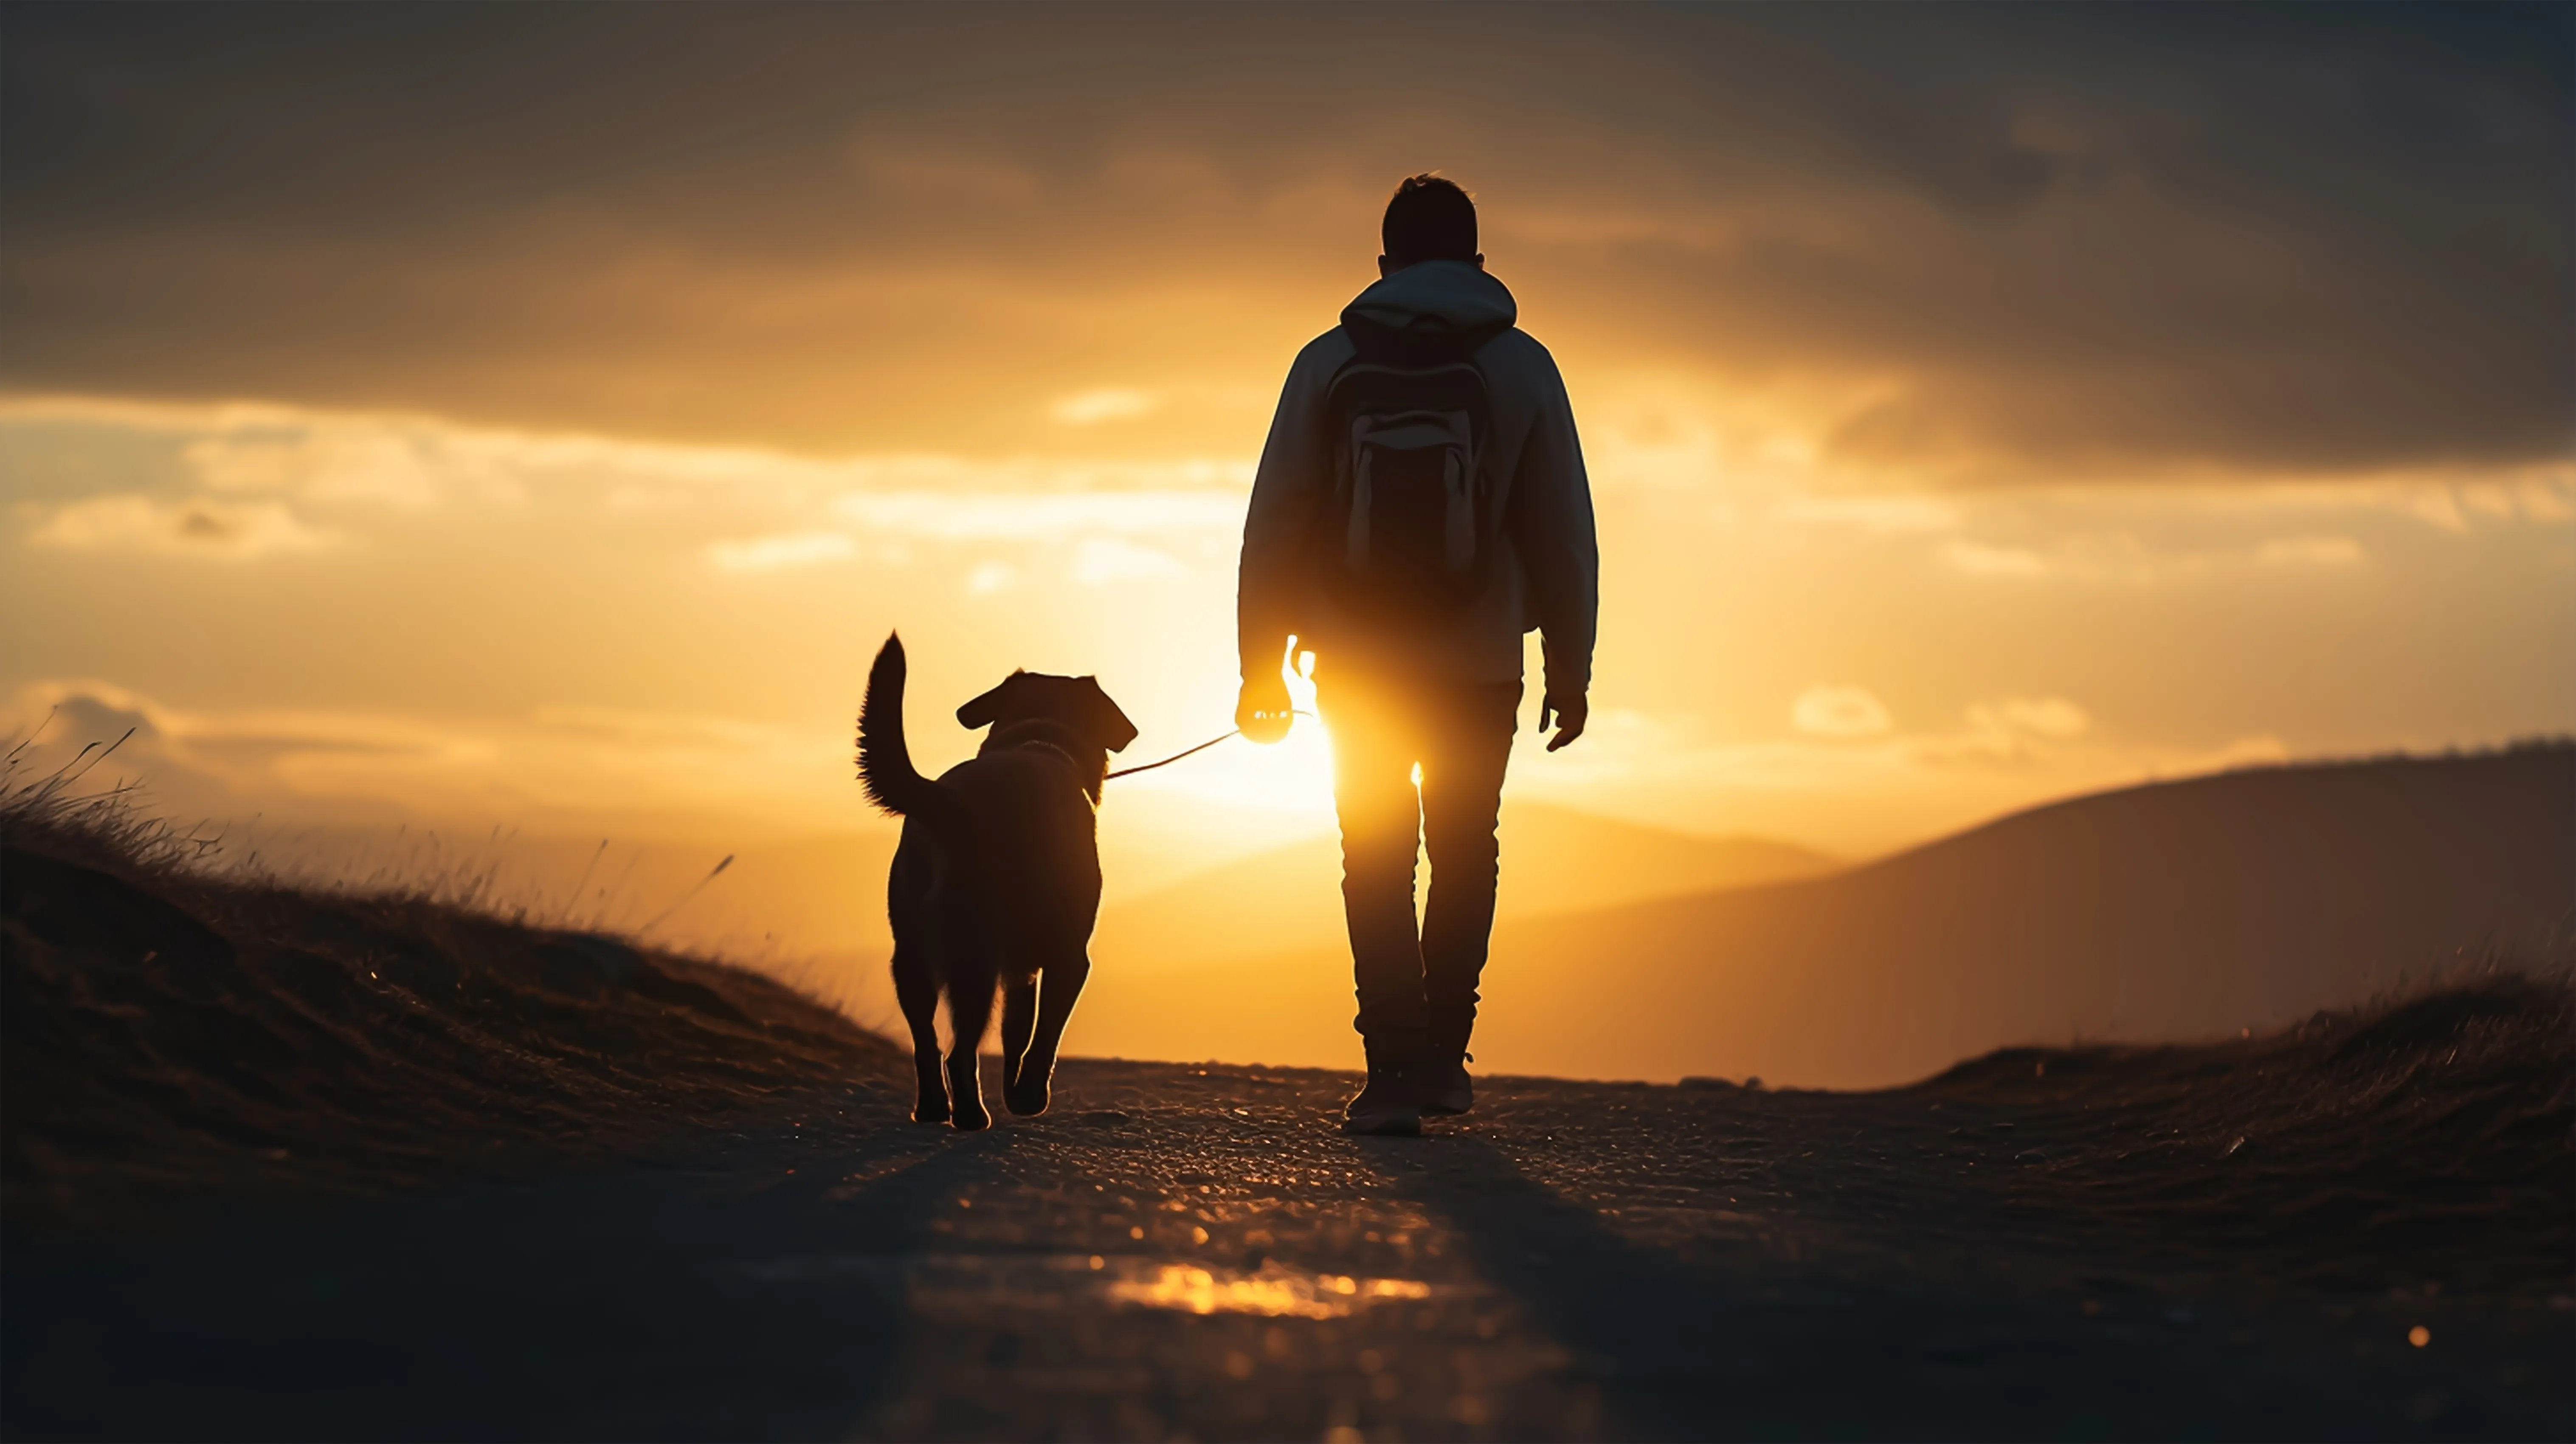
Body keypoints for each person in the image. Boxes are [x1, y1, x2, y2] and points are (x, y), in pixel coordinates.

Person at [1234, 175, 1599, 1136]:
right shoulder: (1524, 367)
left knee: (1376, 856)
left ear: (1385, 264)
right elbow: (1563, 530)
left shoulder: (1325, 364)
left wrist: (1258, 666)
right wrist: (1572, 666)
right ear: (1479, 263)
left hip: (1357, 661)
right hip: (1481, 664)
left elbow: (1276, 521)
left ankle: (1389, 1067)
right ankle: (1443, 1057)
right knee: (1465, 848)